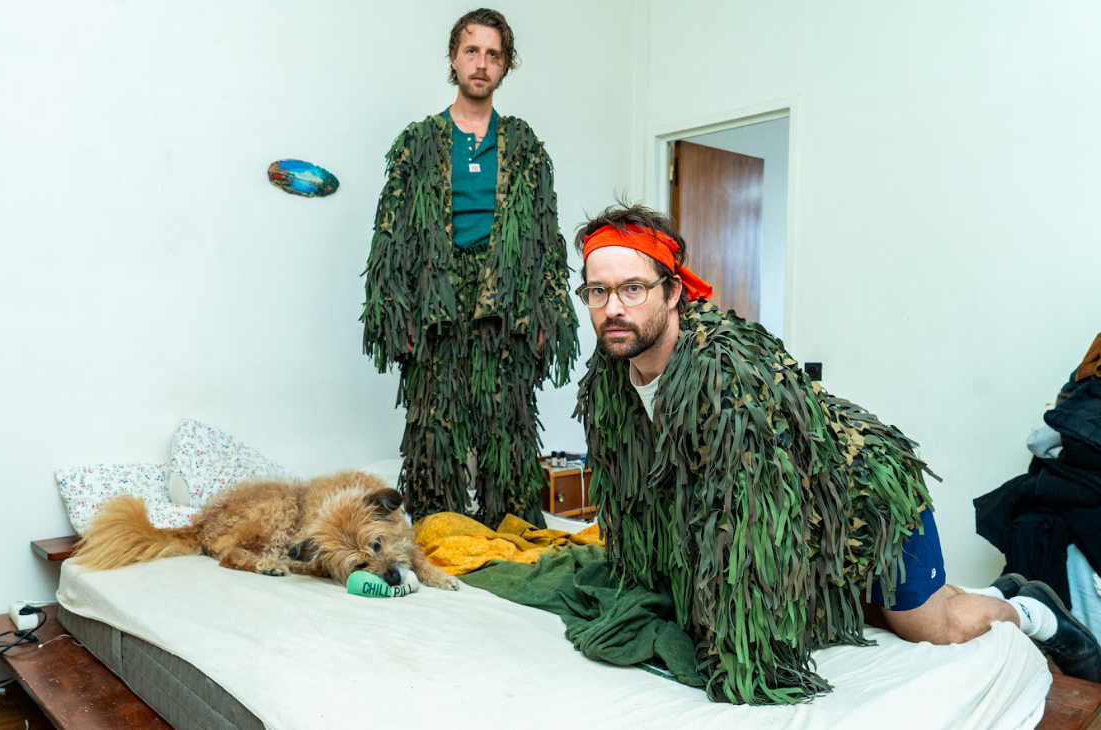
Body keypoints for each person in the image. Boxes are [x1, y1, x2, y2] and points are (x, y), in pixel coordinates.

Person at [572, 202, 1101, 705]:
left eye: (633, 288)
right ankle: (997, 589)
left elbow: (753, 525)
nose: (613, 308)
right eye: (598, 291)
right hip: (812, 525)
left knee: (930, 628)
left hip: (867, 500)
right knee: (876, 612)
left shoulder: (729, 375)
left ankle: (1032, 612)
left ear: (673, 292)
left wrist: (742, 651)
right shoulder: (611, 376)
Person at [361, 9, 578, 528]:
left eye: (493, 55)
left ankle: (512, 533)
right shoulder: (419, 141)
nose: (482, 63)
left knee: (508, 430)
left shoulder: (523, 145)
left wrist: (549, 312)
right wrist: (397, 312)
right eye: (472, 51)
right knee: (436, 431)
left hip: (506, 302)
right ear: (454, 59)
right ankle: (439, 535)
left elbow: (546, 236)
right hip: (435, 301)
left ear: (505, 66)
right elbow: (390, 233)